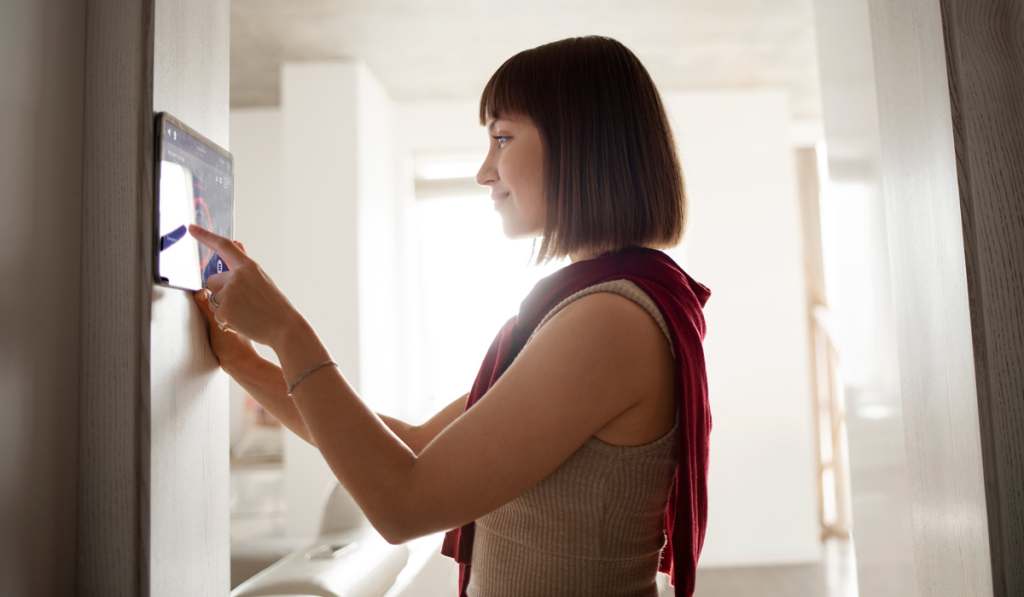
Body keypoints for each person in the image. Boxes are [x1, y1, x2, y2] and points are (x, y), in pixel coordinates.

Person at [191, 35, 712, 597]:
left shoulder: (608, 321)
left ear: (581, 145)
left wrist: (286, 331)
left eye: (502, 138)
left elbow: (404, 504)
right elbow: (413, 446)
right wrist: (241, 359)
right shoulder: (596, 307)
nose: (485, 172)